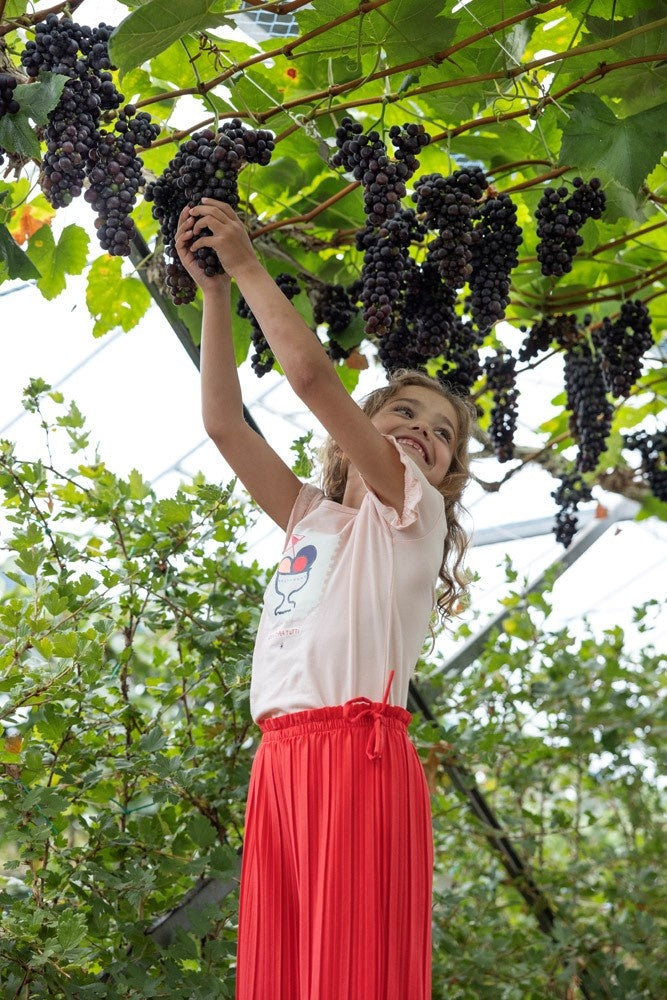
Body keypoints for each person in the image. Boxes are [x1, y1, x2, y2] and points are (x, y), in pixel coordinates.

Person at [175, 199, 475, 1000]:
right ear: (366, 428)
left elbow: (309, 377)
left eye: (441, 433)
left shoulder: (413, 508)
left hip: (357, 753)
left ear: (444, 472)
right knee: (285, 980)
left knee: (346, 977)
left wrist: (246, 266)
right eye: (403, 413)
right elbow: (223, 425)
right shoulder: (313, 518)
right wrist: (211, 294)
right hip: (280, 759)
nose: (422, 432)